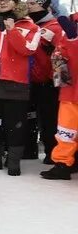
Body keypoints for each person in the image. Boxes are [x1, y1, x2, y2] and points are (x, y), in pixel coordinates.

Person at [0, 0, 41, 175]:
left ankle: (13, 161)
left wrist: (12, 30)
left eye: (6, 0)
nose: (2, 3)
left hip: (15, 82)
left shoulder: (30, 26)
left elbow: (28, 49)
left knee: (15, 124)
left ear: (16, 3)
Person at [23, 0, 61, 162]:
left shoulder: (55, 26)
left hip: (49, 82)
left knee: (49, 119)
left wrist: (58, 79)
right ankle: (29, 149)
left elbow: (62, 52)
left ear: (44, 6)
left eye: (33, 4)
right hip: (29, 80)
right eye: (27, 3)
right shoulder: (27, 25)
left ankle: (53, 152)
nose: (29, 6)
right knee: (29, 117)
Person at [42, 15, 78, 180]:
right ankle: (63, 164)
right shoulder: (70, 24)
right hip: (70, 91)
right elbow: (62, 51)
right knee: (65, 132)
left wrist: (73, 41)